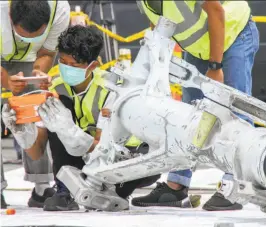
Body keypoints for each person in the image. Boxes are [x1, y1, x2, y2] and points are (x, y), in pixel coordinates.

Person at [2, 25, 160, 211]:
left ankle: (105, 189)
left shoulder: (112, 89)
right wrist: (22, 132)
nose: (66, 68)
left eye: (74, 65)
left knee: (113, 189)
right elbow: (37, 153)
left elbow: (106, 150)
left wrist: (70, 132)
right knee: (58, 106)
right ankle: (65, 191)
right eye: (62, 61)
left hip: (125, 159)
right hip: (86, 159)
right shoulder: (56, 89)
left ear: (92, 65)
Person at [132, 0, 260, 211]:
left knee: (235, 110)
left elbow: (216, 12)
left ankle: (237, 185)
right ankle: (176, 185)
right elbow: (158, 27)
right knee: (188, 114)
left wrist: (215, 65)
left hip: (232, 34)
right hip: (198, 47)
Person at [0, 0, 71, 209]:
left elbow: (47, 53)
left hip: (30, 58)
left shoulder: (59, 9)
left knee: (36, 115)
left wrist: (40, 72)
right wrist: (6, 81)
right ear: (11, 18)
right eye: (23, 34)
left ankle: (41, 188)